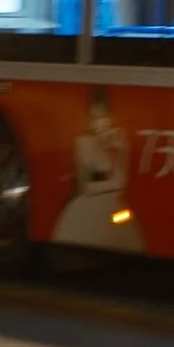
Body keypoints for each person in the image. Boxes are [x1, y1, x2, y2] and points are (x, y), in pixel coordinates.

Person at [52, 87, 143, 252]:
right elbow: (83, 186)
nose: (99, 123)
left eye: (102, 117)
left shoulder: (118, 139)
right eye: (94, 118)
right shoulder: (82, 142)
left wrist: (121, 151)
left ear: (110, 116)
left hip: (111, 205)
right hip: (86, 206)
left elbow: (122, 181)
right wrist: (113, 184)